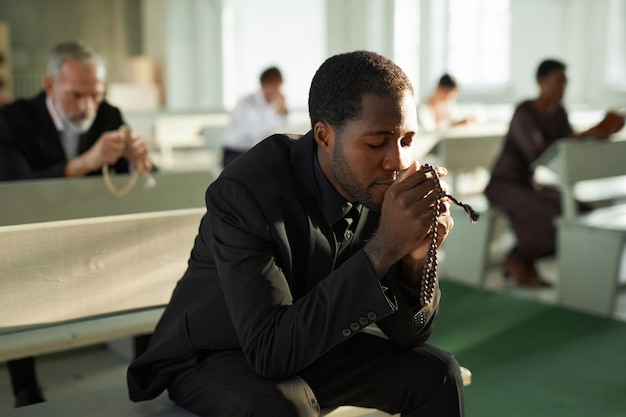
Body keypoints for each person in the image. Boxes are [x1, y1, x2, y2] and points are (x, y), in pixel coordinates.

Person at [127, 50, 464, 417]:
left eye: (406, 140)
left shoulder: (379, 188)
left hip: (310, 339)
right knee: (288, 406)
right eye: (376, 142)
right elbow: (270, 351)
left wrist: (415, 259)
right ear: (324, 136)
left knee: (438, 374)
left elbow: (410, 335)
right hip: (217, 353)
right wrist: (385, 248)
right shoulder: (246, 194)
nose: (397, 162)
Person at [0, 40, 154, 407]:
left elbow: (138, 183)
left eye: (95, 95)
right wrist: (84, 163)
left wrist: (139, 162)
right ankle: (26, 390)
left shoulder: (109, 115)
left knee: (141, 271)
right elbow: (13, 189)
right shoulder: (12, 119)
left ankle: (147, 374)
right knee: (16, 288)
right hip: (29, 236)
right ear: (50, 85)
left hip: (94, 232)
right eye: (75, 96)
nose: (87, 107)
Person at [485, 58, 625, 287]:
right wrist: (590, 132)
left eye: (565, 82)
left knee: (579, 209)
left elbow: (569, 145)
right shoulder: (524, 113)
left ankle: (524, 259)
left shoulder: (558, 112)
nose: (563, 88)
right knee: (549, 214)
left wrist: (601, 132)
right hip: (504, 185)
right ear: (542, 82)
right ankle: (518, 259)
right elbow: (539, 154)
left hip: (529, 185)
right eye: (559, 81)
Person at [221, 66, 289, 167]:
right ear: (264, 85)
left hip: (257, 152)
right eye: (274, 86)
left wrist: (283, 112)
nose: (277, 91)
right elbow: (255, 134)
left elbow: (288, 129)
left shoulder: (276, 105)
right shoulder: (247, 104)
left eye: (279, 86)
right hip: (235, 152)